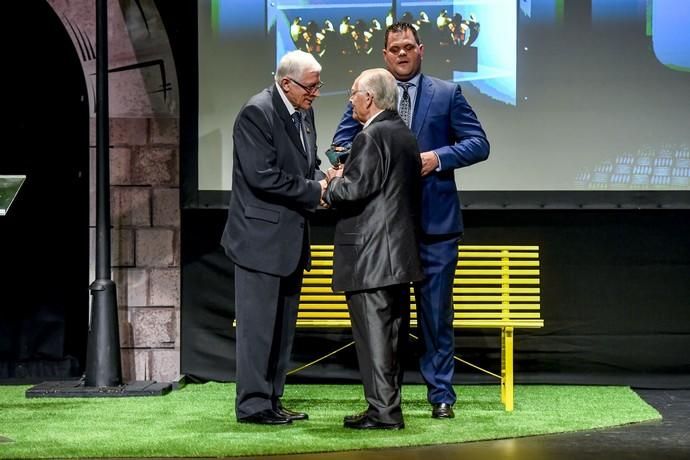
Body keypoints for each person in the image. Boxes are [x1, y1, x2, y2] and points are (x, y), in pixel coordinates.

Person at [331, 22, 490, 419]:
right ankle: (388, 399)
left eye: (408, 47)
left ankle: (440, 395)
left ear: (421, 50)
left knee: (435, 314)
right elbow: (340, 144)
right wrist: (375, 158)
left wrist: (437, 159)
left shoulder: (447, 93)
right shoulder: (370, 94)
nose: (401, 54)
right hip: (385, 227)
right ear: (385, 55)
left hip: (435, 225)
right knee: (388, 316)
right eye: (394, 49)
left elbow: (478, 143)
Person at [220, 50, 328, 425]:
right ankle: (252, 405)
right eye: (310, 87)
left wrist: (325, 175)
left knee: (281, 329)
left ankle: (272, 399)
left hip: (290, 239)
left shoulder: (304, 111)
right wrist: (316, 191)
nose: (315, 93)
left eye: (317, 86)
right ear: (286, 83)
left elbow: (304, 163)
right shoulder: (257, 113)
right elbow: (262, 175)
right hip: (258, 240)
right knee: (257, 330)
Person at [323, 68, 423, 430]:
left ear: (369, 98)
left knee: (375, 339)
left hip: (371, 257)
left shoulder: (370, 136)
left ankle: (383, 413)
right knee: (391, 338)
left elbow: (354, 190)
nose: (350, 100)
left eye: (353, 93)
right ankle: (384, 407)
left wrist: (334, 182)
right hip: (397, 256)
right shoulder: (405, 134)